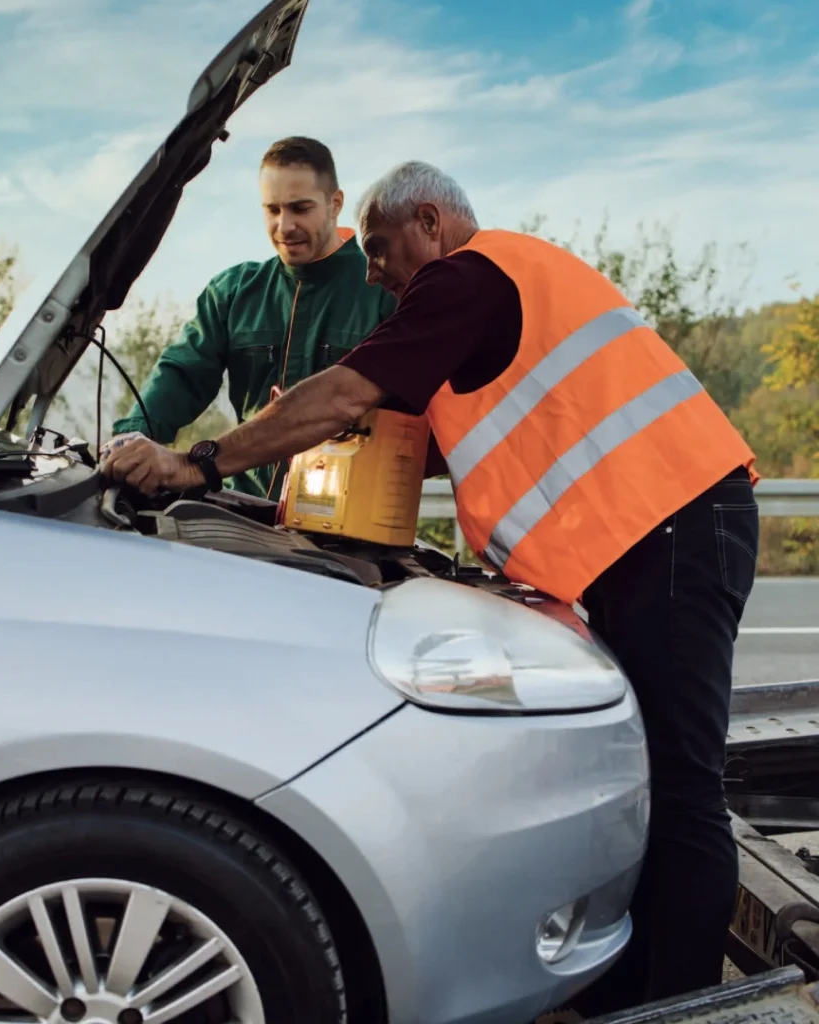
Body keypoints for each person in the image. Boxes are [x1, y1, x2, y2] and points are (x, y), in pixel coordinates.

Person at [102, 159, 761, 1014]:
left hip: (676, 528)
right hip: (653, 538)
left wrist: (200, 461)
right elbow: (420, 435)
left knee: (681, 784)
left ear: (429, 222)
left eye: (378, 250)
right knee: (651, 773)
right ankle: (635, 985)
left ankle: (685, 1003)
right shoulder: (491, 297)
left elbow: (345, 395)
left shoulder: (468, 277)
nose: (371, 271)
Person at [106, 135, 397, 499]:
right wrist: (131, 439)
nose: (284, 226)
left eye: (300, 208)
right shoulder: (232, 292)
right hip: (243, 507)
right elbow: (180, 374)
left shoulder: (384, 292)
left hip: (346, 524)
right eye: (272, 210)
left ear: (335, 203)